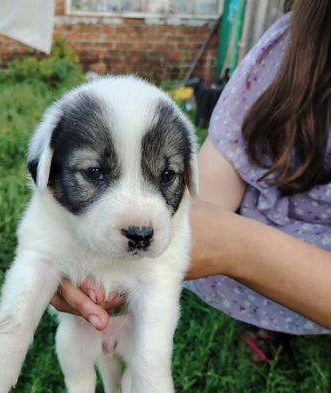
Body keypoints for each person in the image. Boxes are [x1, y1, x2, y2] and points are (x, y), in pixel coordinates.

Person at [50, 0, 331, 354]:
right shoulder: (291, 40)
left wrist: (236, 246)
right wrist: (198, 217)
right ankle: (269, 320)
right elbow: (229, 156)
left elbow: (227, 238)